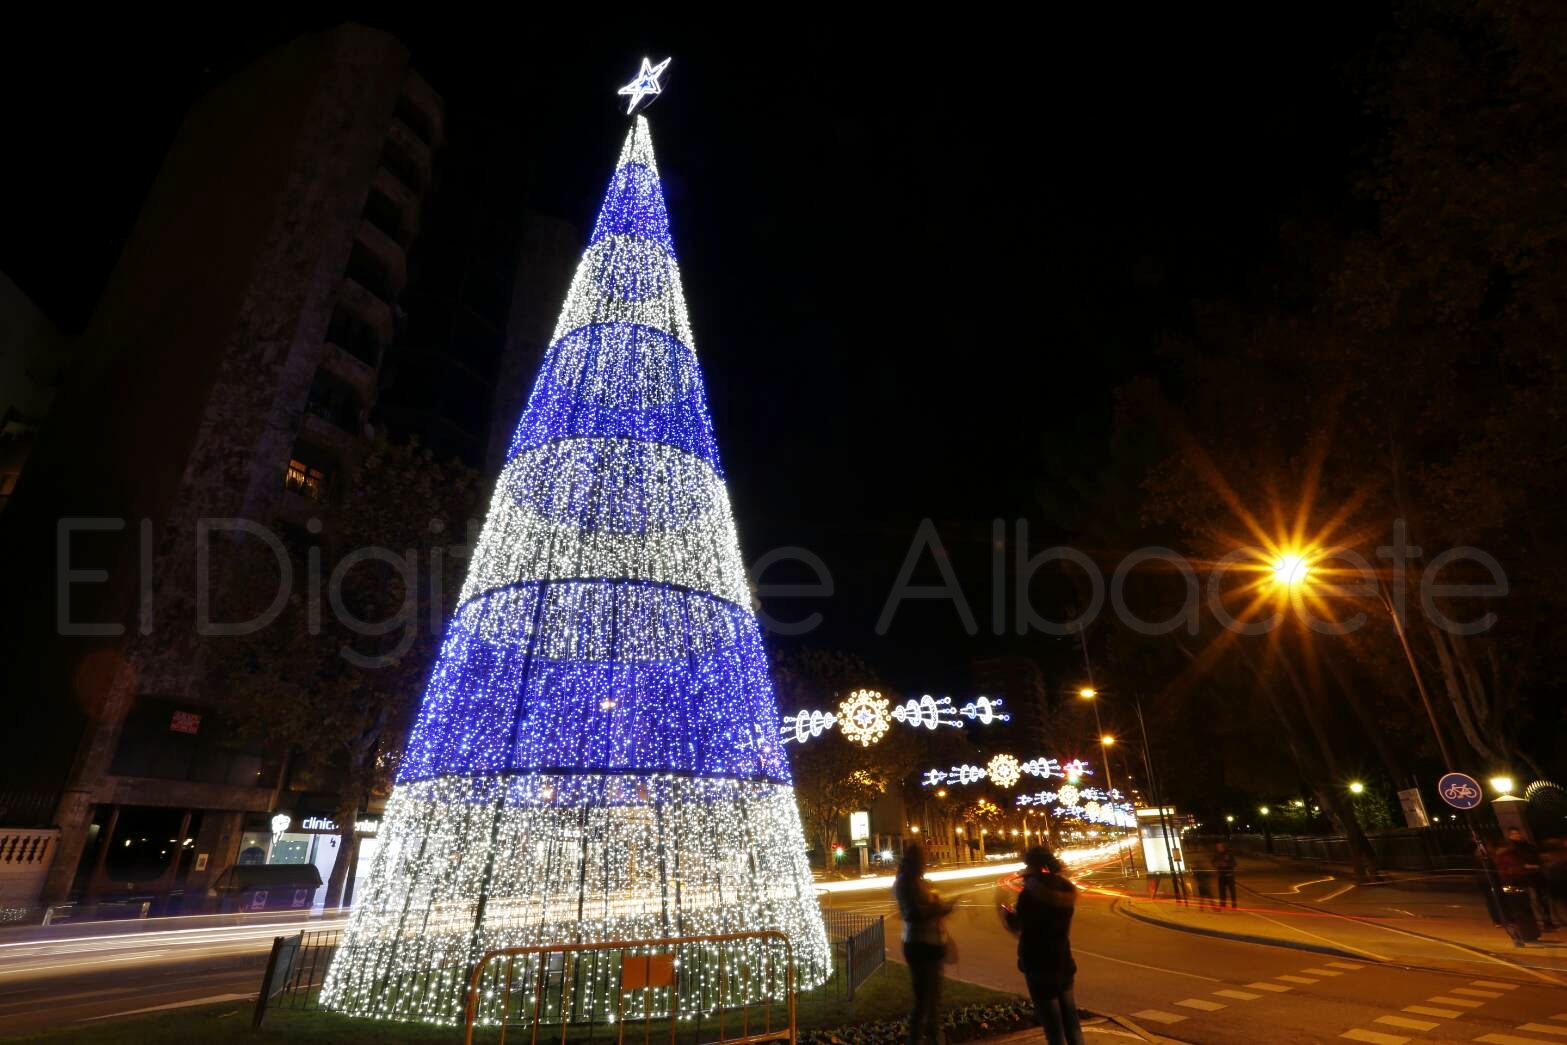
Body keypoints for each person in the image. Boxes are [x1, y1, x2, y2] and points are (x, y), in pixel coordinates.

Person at [1004, 845, 1085, 1045]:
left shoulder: (1030, 893)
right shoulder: (1064, 889)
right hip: (1063, 962)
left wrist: (1007, 915)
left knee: (1053, 1029)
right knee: (1071, 1023)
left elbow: (1021, 926)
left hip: (1039, 965)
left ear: (1031, 864)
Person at [894, 842, 953, 1045]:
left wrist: (942, 906)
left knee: (933, 1000)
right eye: (923, 857)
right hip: (920, 946)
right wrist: (938, 908)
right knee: (924, 1002)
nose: (926, 862)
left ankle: (933, 1038)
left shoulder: (918, 880)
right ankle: (918, 1039)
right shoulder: (906, 882)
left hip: (931, 945)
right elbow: (912, 913)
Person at [1212, 842, 1238, 909]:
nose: (1218, 848)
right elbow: (1213, 862)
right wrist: (1217, 864)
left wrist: (1227, 864)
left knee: (1232, 891)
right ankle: (1223, 904)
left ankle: (1234, 905)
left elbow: (1234, 863)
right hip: (1221, 876)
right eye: (1217, 847)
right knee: (1222, 891)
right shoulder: (1216, 855)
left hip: (1229, 876)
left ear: (1223, 847)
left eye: (1220, 847)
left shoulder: (1229, 854)